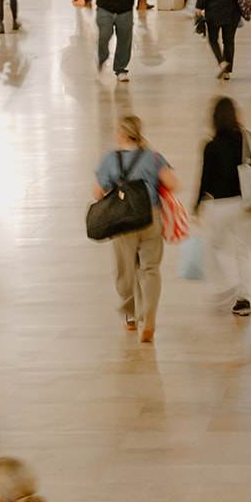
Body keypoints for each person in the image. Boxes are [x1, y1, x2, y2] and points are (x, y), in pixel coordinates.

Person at [93, 116, 177, 342]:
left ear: (122, 134)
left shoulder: (111, 159)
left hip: (123, 221)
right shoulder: (154, 157)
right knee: (150, 270)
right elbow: (173, 184)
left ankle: (130, 316)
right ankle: (148, 319)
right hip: (151, 216)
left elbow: (97, 192)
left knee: (125, 270)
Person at [195, 97, 251, 318]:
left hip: (220, 205)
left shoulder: (211, 145)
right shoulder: (249, 139)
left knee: (216, 246)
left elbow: (204, 181)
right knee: (244, 251)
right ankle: (244, 300)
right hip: (246, 204)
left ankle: (232, 281)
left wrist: (196, 206)